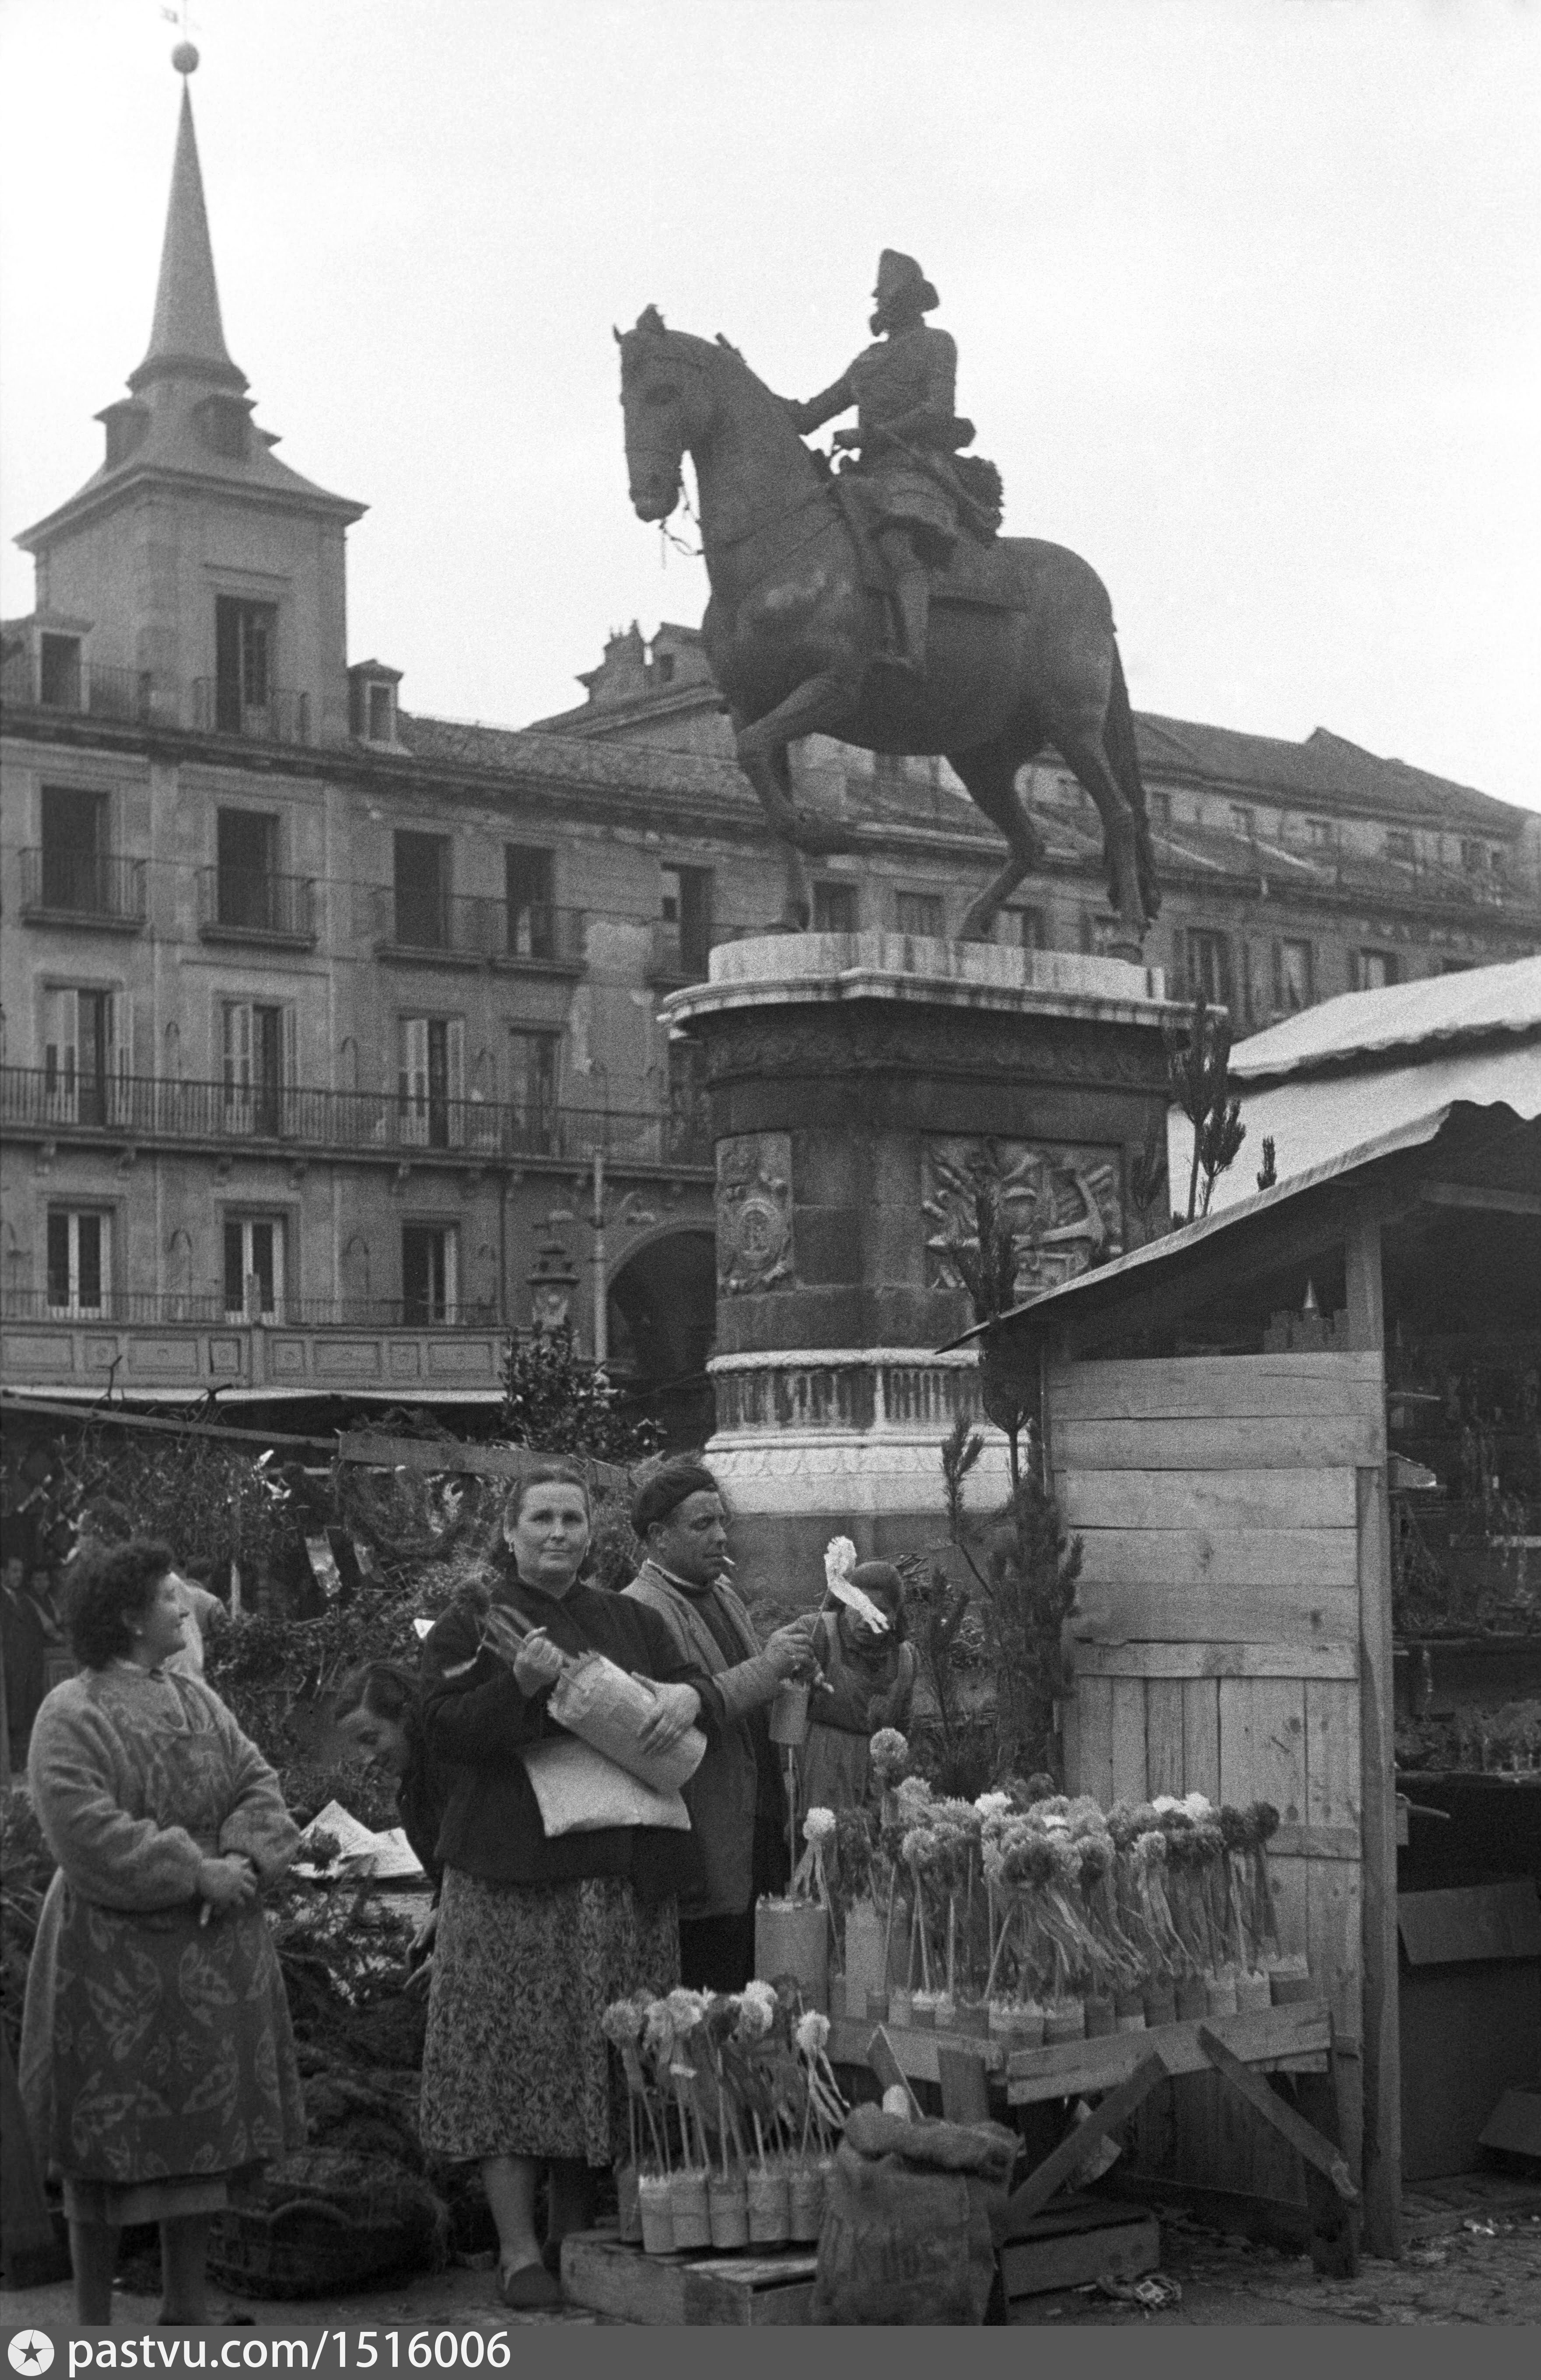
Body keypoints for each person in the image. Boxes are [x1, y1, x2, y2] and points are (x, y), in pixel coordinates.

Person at [417, 1460, 725, 2310]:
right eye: (541, 1517)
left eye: (572, 1518)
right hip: (513, 1880)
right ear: (509, 1531)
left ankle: (577, 2233)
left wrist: (687, 1698)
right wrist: (515, 1687)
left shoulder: (629, 1617)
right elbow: (439, 1730)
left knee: (605, 2053)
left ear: (593, 1532)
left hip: (619, 1875)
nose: (558, 1532)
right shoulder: (476, 1623)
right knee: (515, 2060)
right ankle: (519, 2249)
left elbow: (693, 1687)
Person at [19, 1537, 304, 2328]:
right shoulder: (71, 1709)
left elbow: (258, 1782)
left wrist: (244, 1856)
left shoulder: (199, 1701)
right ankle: (93, 2324)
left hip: (213, 1950)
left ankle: (186, 2309)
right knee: (104, 2137)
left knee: (199, 2140)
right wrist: (193, 1870)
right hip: (110, 1957)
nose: (186, 1607)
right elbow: (82, 1826)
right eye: (171, 1596)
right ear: (127, 1615)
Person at [623, 1459, 809, 1991]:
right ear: (658, 1537)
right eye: (702, 1525)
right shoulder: (640, 1609)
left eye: (722, 1521)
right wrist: (768, 1667)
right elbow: (686, 1714)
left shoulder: (723, 1591)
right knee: (714, 1989)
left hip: (759, 1823)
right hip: (709, 1836)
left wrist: (791, 1677)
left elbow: (745, 1688)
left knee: (764, 1981)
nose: (721, 1536)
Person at [780, 249, 966, 678]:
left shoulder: (937, 343)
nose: (881, 304)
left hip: (916, 467)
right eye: (881, 298)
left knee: (898, 545)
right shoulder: (867, 361)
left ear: (910, 301)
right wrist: (749, 383)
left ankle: (914, 655)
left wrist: (868, 437)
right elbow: (808, 417)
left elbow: (938, 410)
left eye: (889, 297)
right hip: (866, 474)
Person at [334, 1658, 447, 1977]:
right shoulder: (412, 1790)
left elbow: (479, 1872)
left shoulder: (452, 1772)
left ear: (406, 1718)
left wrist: (454, 1950)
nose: (366, 1759)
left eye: (371, 1739)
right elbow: (446, 1874)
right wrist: (440, 1912)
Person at [794, 1562, 916, 1813]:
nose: (866, 1618)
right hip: (820, 1768)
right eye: (858, 1606)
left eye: (880, 1610)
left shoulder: (906, 1659)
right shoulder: (818, 1633)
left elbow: (902, 1728)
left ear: (896, 1614)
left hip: (876, 1779)